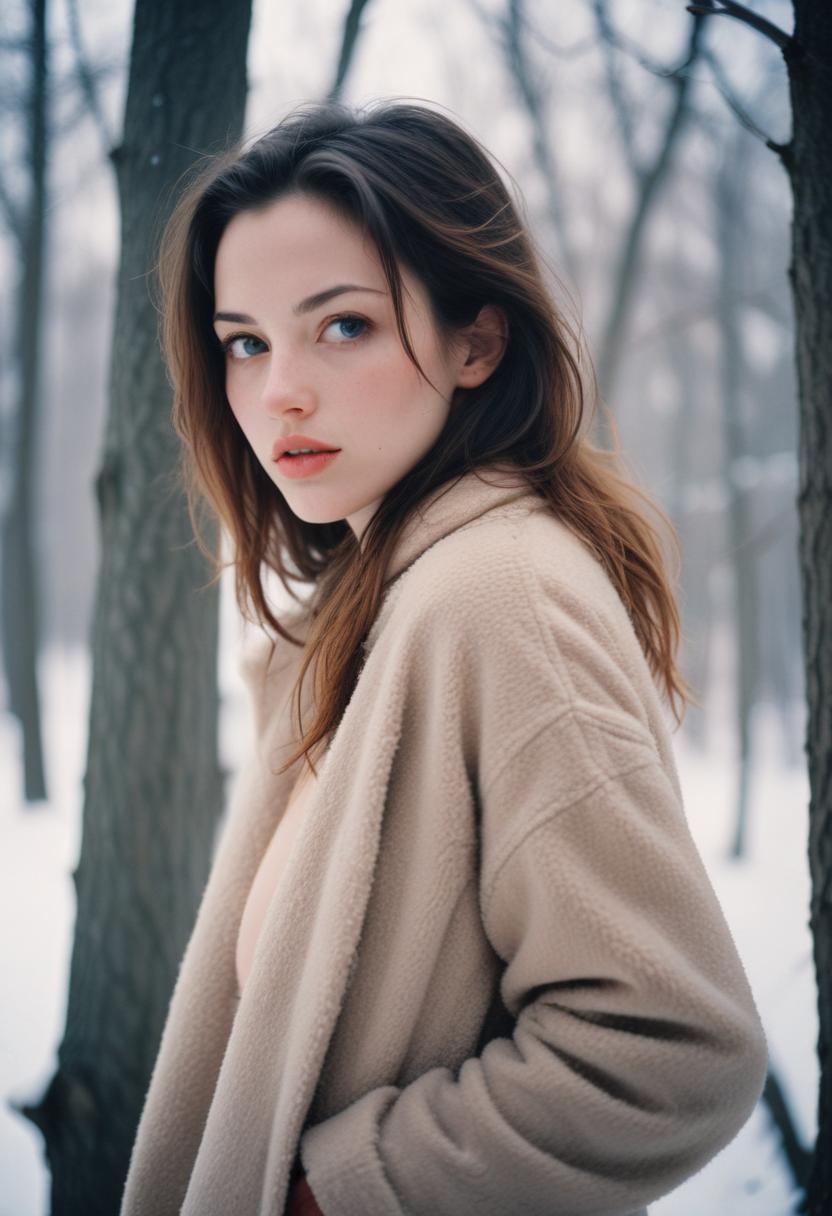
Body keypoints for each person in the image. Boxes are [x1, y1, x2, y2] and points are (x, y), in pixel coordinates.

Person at [119, 97, 768, 1216]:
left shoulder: (497, 595)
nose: (279, 392)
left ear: (478, 340)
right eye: (245, 343)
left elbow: (671, 1045)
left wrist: (342, 1191)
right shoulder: (364, 614)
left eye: (343, 325)